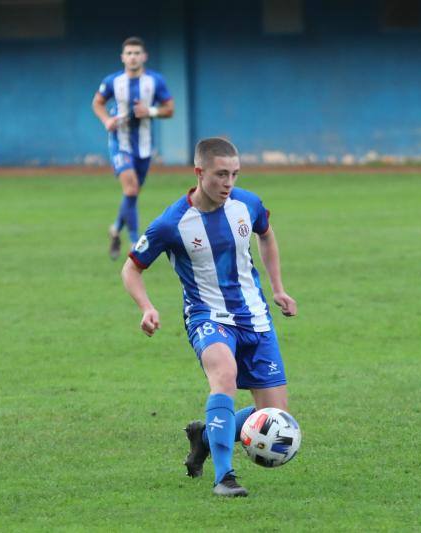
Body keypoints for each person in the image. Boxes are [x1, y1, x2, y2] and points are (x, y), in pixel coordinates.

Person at [121, 137, 298, 497]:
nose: (228, 183)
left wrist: (278, 288)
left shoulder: (247, 203)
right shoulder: (171, 223)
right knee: (225, 375)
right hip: (206, 316)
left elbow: (267, 235)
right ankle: (224, 477)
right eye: (220, 175)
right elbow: (131, 268)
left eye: (234, 174)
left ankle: (205, 436)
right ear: (199, 173)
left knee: (275, 418)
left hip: (255, 318)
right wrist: (147, 307)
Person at [93, 36, 174, 260]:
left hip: (145, 147)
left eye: (136, 53)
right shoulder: (112, 82)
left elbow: (169, 109)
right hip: (120, 143)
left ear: (144, 56)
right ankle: (134, 241)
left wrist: (151, 111)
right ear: (122, 57)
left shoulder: (155, 81)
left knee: (133, 193)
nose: (132, 57)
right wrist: (106, 121)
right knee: (130, 189)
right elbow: (97, 103)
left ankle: (115, 228)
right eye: (128, 53)